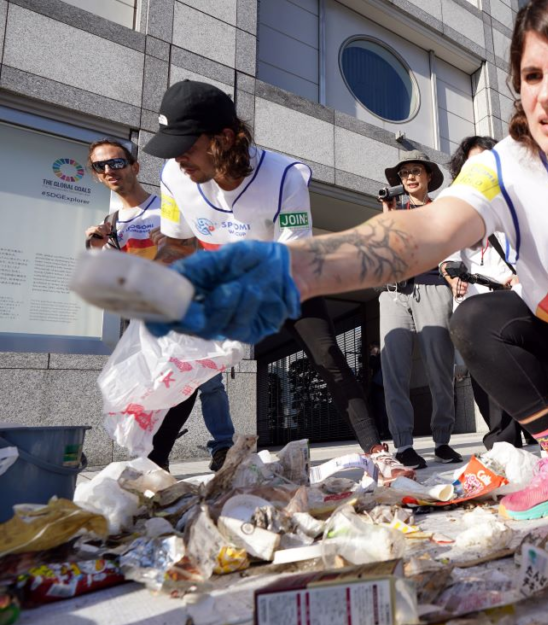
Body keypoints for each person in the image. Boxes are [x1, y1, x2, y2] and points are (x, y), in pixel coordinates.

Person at [146, 0, 548, 518]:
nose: (547, 96)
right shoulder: (504, 166)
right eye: (532, 76)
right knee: (478, 320)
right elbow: (426, 229)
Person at [141, 80, 412, 483]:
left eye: (187, 146)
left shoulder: (284, 176)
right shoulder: (173, 175)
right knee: (188, 364)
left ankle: (378, 453)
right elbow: (178, 244)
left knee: (327, 356)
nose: (178, 159)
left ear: (224, 139)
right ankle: (151, 467)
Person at [84, 139, 237, 472]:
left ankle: (222, 447)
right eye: (100, 166)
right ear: (96, 175)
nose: (109, 170)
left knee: (207, 379)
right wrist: (96, 248)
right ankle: (156, 453)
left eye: (117, 162)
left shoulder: (166, 206)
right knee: (157, 383)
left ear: (135, 167)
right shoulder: (112, 223)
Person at [439, 136, 532, 450]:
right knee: (486, 372)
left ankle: (540, 427)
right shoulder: (455, 205)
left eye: (486, 159)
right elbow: (448, 255)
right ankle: (501, 439)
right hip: (476, 301)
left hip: (516, 296)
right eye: (472, 162)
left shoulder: (515, 199)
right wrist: (452, 277)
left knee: (525, 364)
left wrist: (522, 275)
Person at [377, 150, 463, 469]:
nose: (410, 177)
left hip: (433, 287)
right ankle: (403, 444)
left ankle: (442, 440)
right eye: (404, 173)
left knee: (440, 367)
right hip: (393, 293)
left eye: (416, 170)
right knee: (394, 369)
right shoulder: (394, 212)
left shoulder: (440, 210)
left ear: (428, 176)